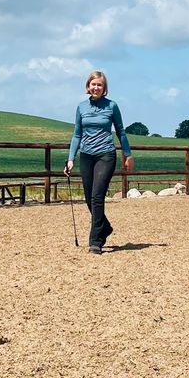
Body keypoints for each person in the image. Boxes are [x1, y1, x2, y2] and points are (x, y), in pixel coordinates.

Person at [64, 70, 134, 254]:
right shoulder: (81, 107)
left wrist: (128, 154)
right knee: (89, 198)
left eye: (99, 85)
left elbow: (121, 131)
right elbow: (77, 134)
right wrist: (71, 158)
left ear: (104, 88)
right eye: (93, 84)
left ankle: (95, 241)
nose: (96, 87)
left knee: (97, 197)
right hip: (86, 156)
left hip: (106, 155)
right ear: (88, 86)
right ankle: (105, 226)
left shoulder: (112, 106)